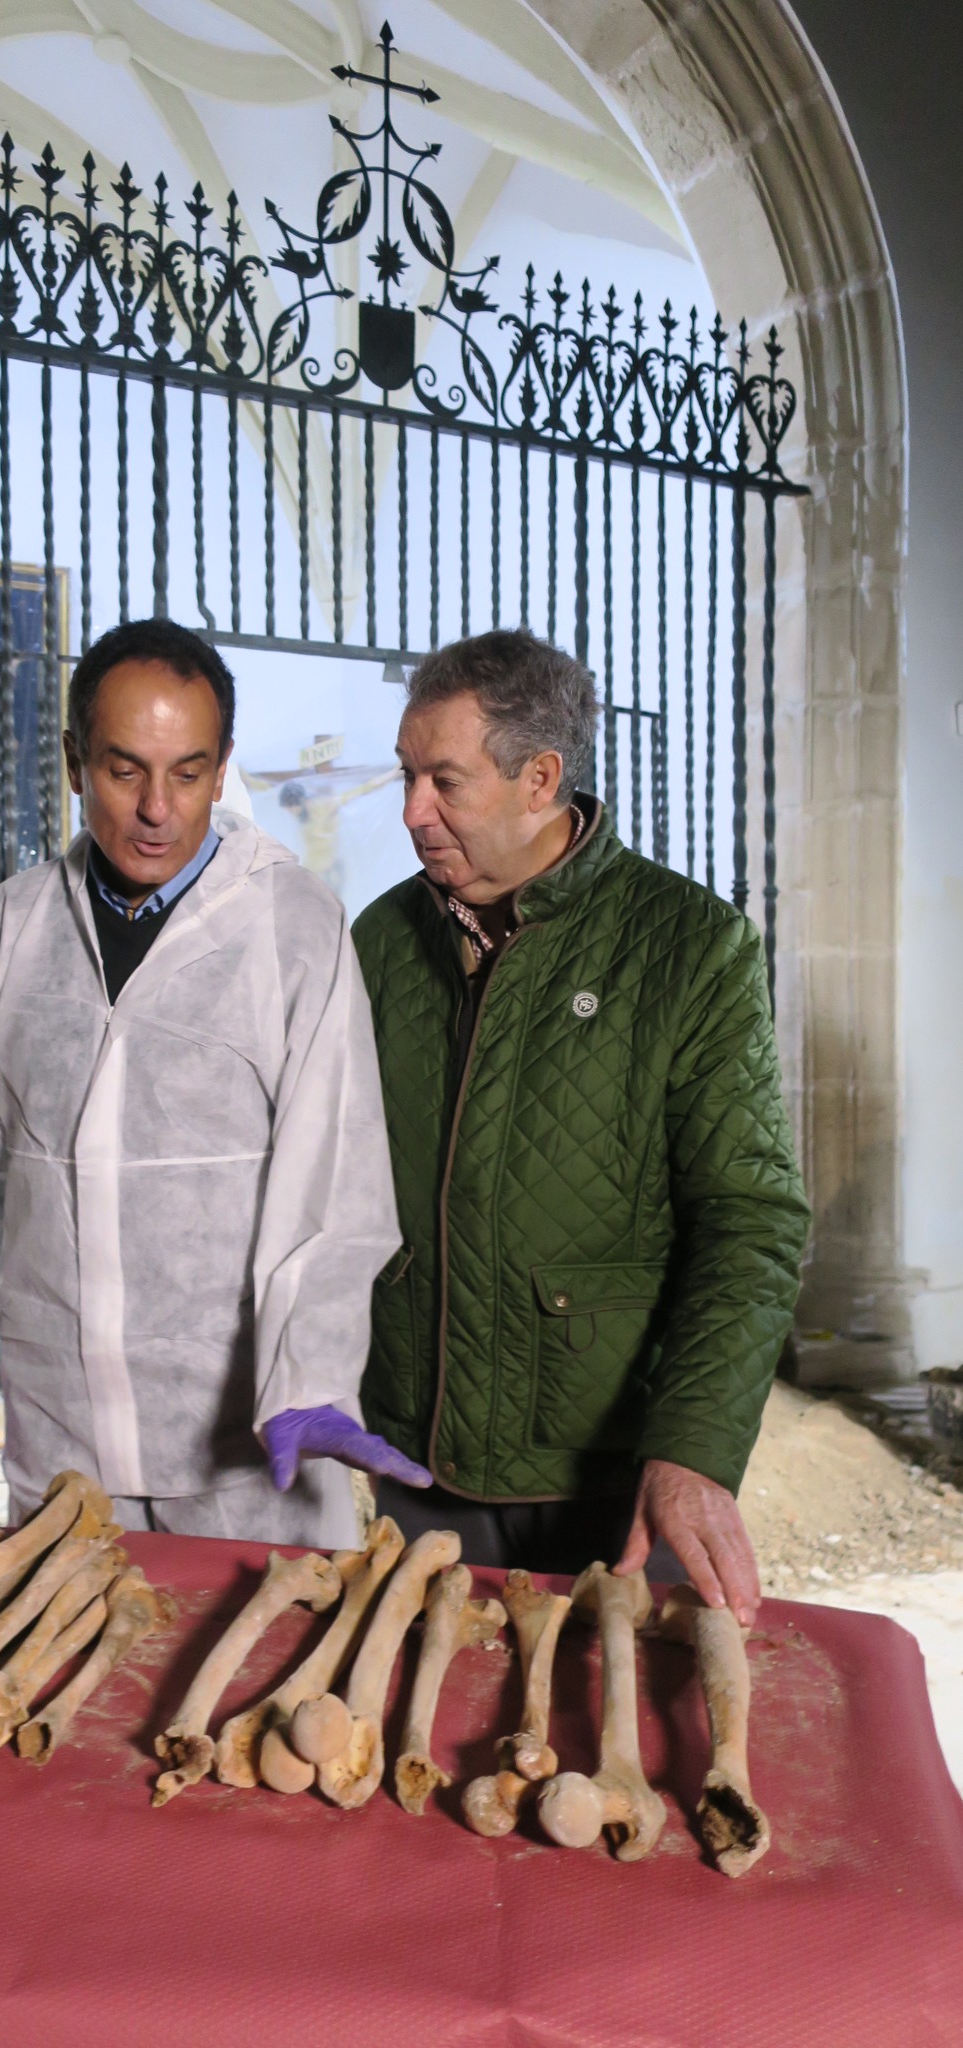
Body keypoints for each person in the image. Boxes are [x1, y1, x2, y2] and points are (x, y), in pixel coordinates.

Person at [0, 617, 430, 1543]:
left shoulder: (289, 927)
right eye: (124, 768)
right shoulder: (8, 932)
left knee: (263, 1682)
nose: (156, 809)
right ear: (73, 761)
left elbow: (332, 1179)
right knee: (68, 1681)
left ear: (221, 774)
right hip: (62, 1440)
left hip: (247, 1455)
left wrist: (306, 1379)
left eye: (187, 772)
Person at [352, 629, 809, 1624]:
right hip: (410, 1464)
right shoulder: (381, 942)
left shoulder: (692, 947)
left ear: (539, 779)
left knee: (608, 1751)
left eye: (444, 781)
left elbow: (753, 1218)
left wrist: (694, 1445)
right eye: (405, 775)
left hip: (609, 1480)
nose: (412, 813)